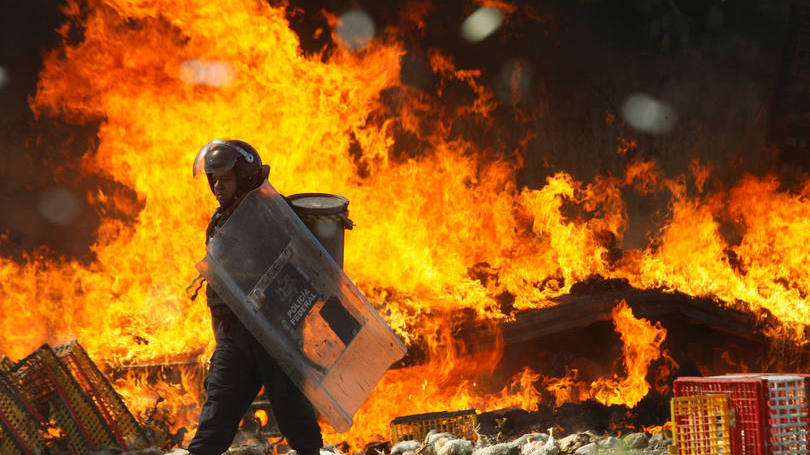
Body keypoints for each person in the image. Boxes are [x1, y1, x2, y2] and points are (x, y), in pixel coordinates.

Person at [188, 139, 323, 455]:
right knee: (213, 423)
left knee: (296, 421)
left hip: (273, 335)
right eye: (214, 180)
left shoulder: (274, 215)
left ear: (245, 177)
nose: (218, 186)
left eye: (226, 178)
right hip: (235, 339)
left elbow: (302, 271)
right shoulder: (221, 219)